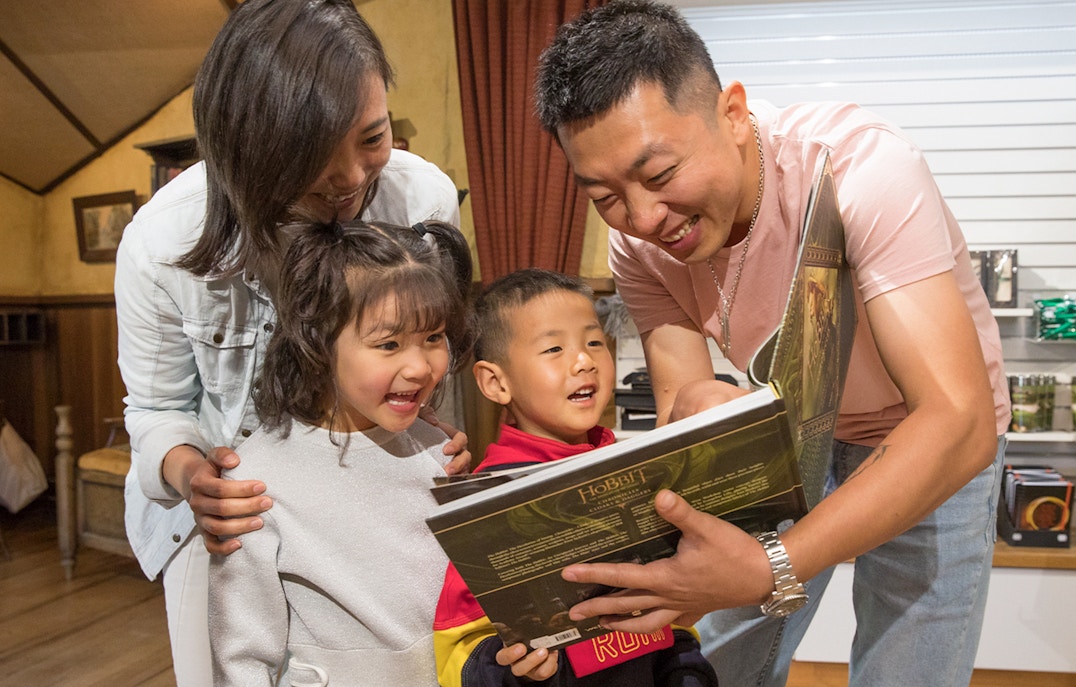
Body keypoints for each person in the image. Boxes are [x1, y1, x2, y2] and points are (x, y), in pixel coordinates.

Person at [533, 3, 1010, 686]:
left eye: (660, 176)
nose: (641, 218)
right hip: (796, 426)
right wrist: (702, 410)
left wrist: (770, 566)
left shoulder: (859, 169)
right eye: (604, 194)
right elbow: (680, 404)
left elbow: (958, 419)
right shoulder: (639, 245)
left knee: (908, 666)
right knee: (719, 657)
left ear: (731, 113)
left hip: (928, 433)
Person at [114, 1, 466, 683]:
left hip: (372, 485)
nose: (351, 179)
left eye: (372, 137)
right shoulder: (162, 241)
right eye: (313, 157)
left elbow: (426, 347)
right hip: (233, 514)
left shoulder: (420, 197)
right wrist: (196, 478)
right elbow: (155, 413)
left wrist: (431, 434)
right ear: (246, 148)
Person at [208, 218, 472, 684]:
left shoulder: (440, 450)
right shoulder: (255, 484)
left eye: (433, 338)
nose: (419, 366)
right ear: (318, 342)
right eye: (388, 344)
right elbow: (243, 657)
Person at [433, 268, 717, 687]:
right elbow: (458, 649)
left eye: (594, 342)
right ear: (495, 382)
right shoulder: (486, 504)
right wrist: (510, 669)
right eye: (553, 349)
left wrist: (686, 670)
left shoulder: (637, 471)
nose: (584, 361)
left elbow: (671, 605)